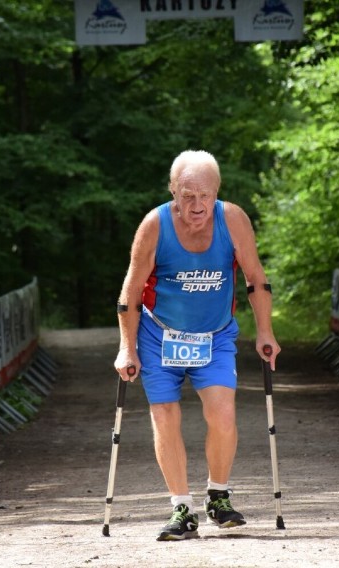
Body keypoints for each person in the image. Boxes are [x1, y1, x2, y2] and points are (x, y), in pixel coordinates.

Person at [113, 149, 280, 541]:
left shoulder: (233, 220)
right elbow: (131, 290)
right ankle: (181, 508)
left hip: (215, 336)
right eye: (187, 195)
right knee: (165, 416)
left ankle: (218, 497)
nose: (197, 204)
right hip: (158, 336)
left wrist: (265, 332)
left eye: (205, 195)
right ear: (173, 190)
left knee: (223, 413)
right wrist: (127, 346)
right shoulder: (154, 226)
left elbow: (256, 279)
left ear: (216, 192)